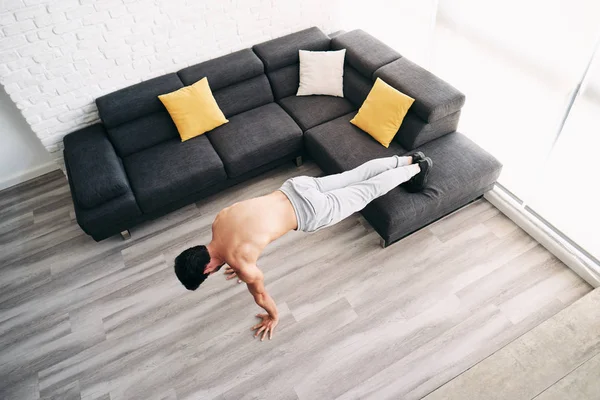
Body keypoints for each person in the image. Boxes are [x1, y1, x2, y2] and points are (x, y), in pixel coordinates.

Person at [174, 152, 433, 341]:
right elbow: (247, 234)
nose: (210, 275)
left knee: (366, 191)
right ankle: (407, 159)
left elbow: (261, 296)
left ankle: (417, 169)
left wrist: (274, 316)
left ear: (207, 268)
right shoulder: (219, 220)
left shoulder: (242, 264)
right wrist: (237, 264)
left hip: (311, 212)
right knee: (354, 176)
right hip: (296, 188)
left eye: (206, 275)